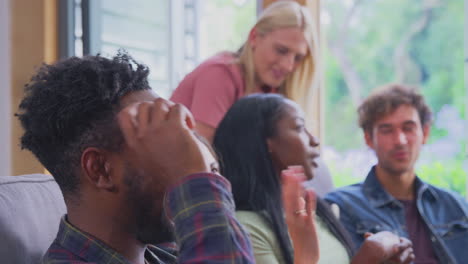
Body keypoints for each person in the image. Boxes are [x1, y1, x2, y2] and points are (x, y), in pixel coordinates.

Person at [16, 52, 254, 264]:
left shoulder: (166, 254)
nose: (188, 157)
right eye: (162, 145)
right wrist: (194, 178)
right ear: (101, 169)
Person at [213, 93, 415, 264]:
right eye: (300, 127)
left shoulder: (316, 213)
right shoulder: (245, 228)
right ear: (266, 143)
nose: (314, 140)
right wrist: (368, 257)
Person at [325, 83, 468, 264]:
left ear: (424, 133)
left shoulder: (457, 207)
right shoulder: (341, 207)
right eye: (387, 130)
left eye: (408, 128)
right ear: (369, 139)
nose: (400, 141)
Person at [171, 0, 319, 142]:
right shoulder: (219, 75)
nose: (288, 66)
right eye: (281, 50)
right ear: (254, 37)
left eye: (298, 57)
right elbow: (202, 160)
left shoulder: (272, 90)